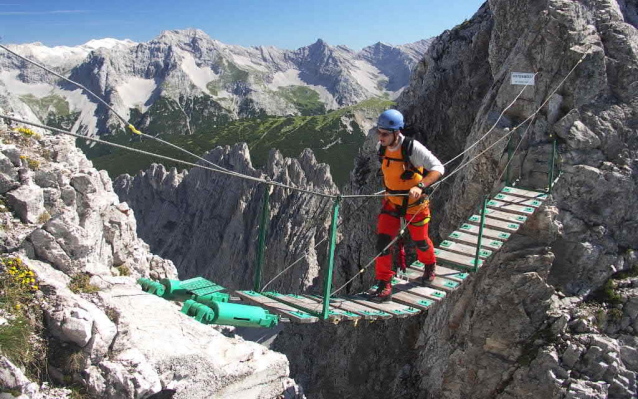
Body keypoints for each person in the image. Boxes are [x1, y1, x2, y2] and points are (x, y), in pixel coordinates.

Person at [369, 109, 444, 302]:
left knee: (420, 240)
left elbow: (438, 168)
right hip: (392, 202)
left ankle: (429, 265)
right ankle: (384, 283)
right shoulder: (382, 147)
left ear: (396, 132)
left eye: (385, 133)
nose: (381, 137)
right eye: (379, 132)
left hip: (415, 205)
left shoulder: (411, 147)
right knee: (383, 243)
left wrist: (421, 185)